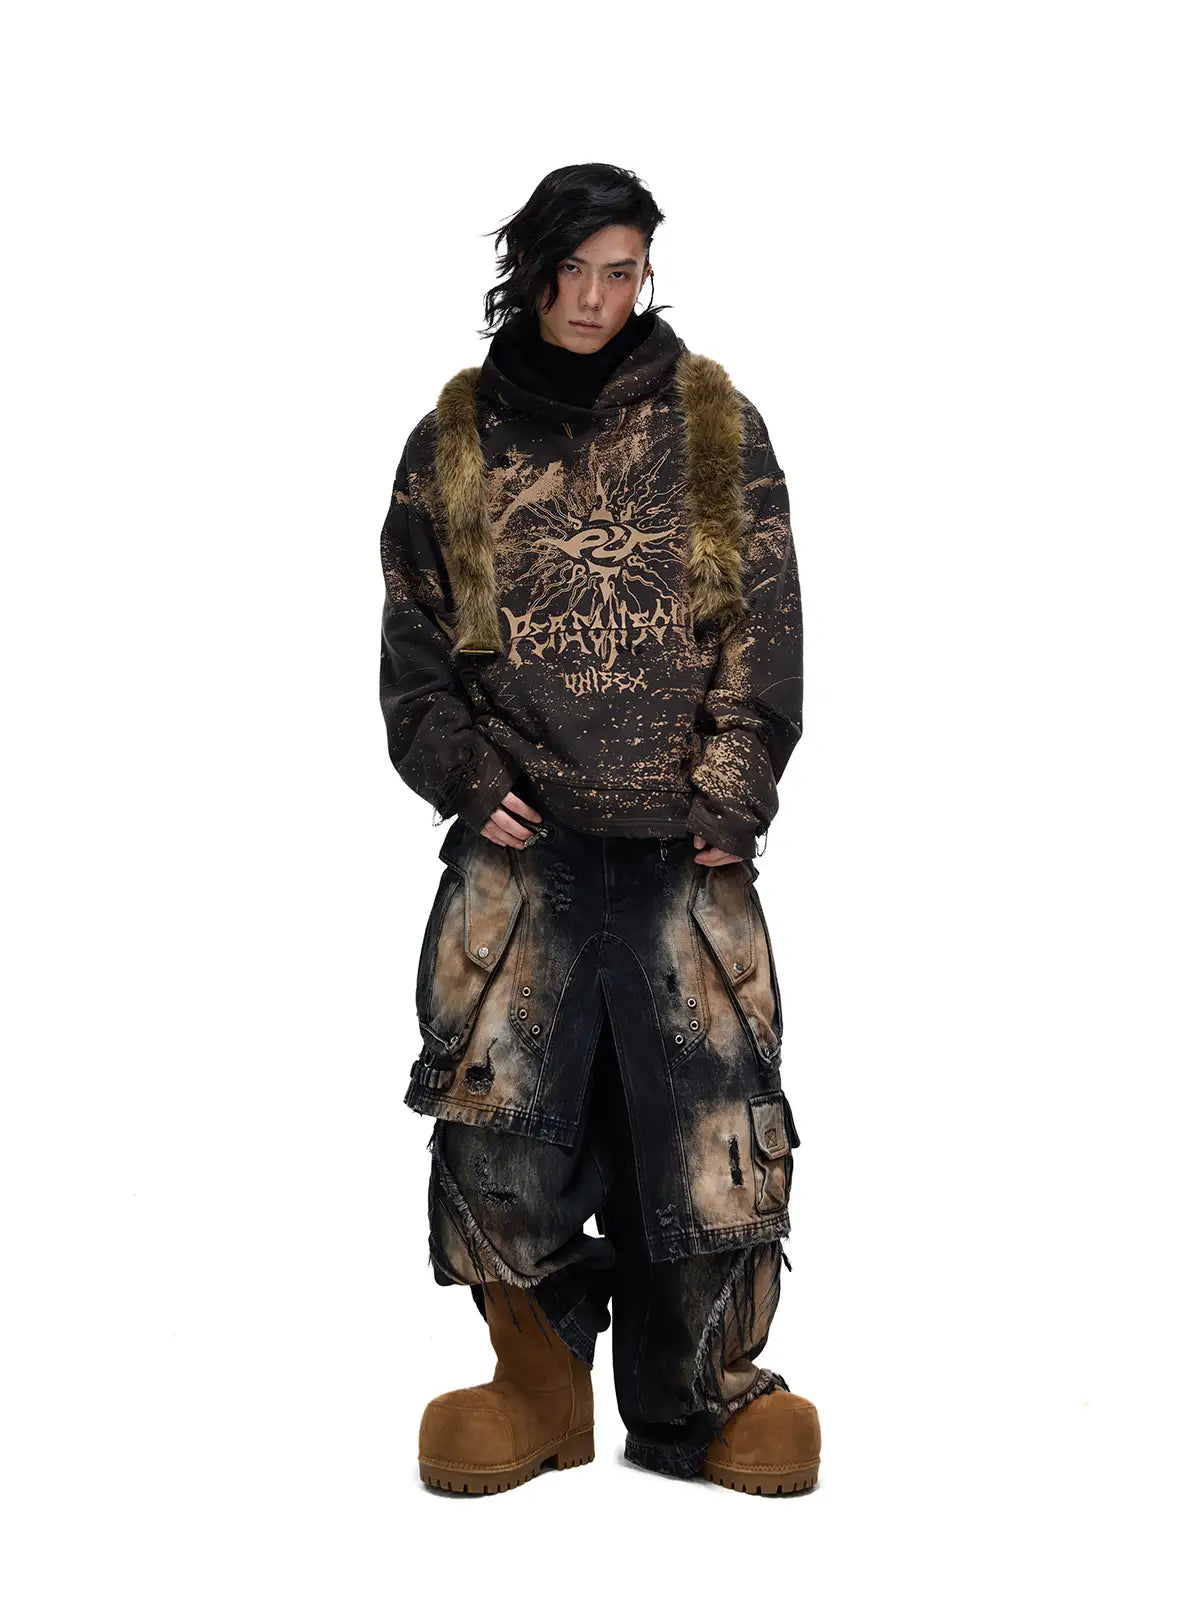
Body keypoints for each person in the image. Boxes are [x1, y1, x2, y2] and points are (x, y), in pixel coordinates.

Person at [378, 162, 819, 1495]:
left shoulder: (712, 424)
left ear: (645, 275)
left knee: (711, 1128)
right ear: (529, 271)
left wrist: (735, 788)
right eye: (570, 271)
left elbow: (764, 621)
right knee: (503, 1121)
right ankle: (537, 1385)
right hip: (522, 857)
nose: (591, 298)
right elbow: (413, 658)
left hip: (687, 850)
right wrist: (465, 774)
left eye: (618, 271)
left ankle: (705, 1402)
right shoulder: (454, 442)